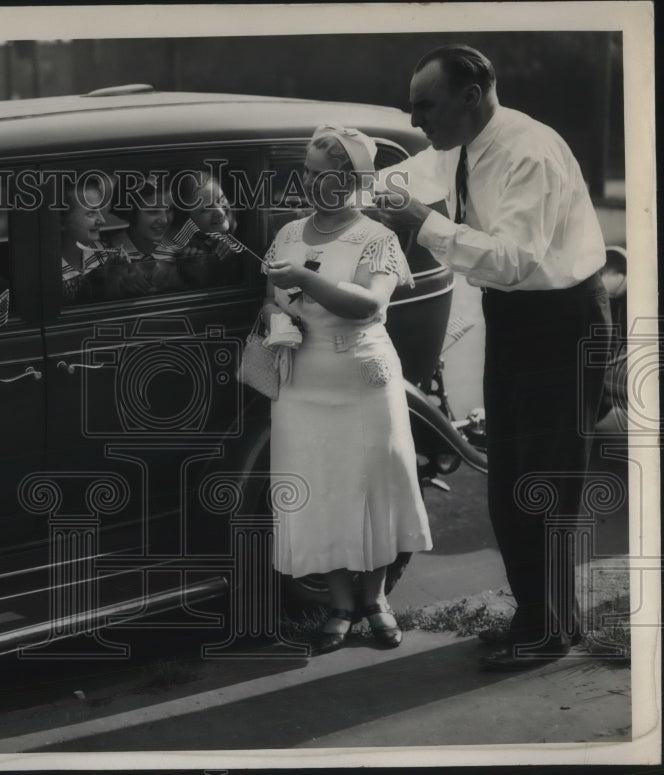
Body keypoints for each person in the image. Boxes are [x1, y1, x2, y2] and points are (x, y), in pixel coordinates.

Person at [365, 44, 611, 670]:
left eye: (427, 106)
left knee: (545, 485)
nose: (417, 119)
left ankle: (548, 634)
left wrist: (422, 222)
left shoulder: (527, 152)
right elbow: (405, 176)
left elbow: (512, 259)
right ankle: (541, 618)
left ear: (472, 96)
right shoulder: (459, 144)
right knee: (509, 485)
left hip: (560, 322)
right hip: (518, 320)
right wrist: (344, 194)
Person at [263, 125, 432, 655]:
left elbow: (371, 306)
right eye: (306, 171)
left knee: (370, 486)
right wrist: (275, 317)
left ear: (348, 178)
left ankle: (375, 599)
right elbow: (267, 298)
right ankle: (339, 603)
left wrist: (305, 281)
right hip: (301, 382)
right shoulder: (289, 232)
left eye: (319, 172)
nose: (307, 180)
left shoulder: (374, 237)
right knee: (320, 490)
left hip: (361, 379)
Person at [60, 178, 149, 303]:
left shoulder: (106, 252)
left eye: (100, 211)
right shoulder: (46, 273)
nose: (102, 220)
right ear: (61, 221)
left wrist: (123, 279)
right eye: (91, 213)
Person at [107, 177, 184, 294]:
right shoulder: (106, 252)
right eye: (153, 211)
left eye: (169, 210)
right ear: (130, 213)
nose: (164, 220)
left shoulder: (183, 248)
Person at [169, 172, 242, 287]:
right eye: (206, 209)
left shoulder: (247, 225)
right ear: (188, 220)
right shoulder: (186, 251)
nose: (220, 212)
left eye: (221, 199)